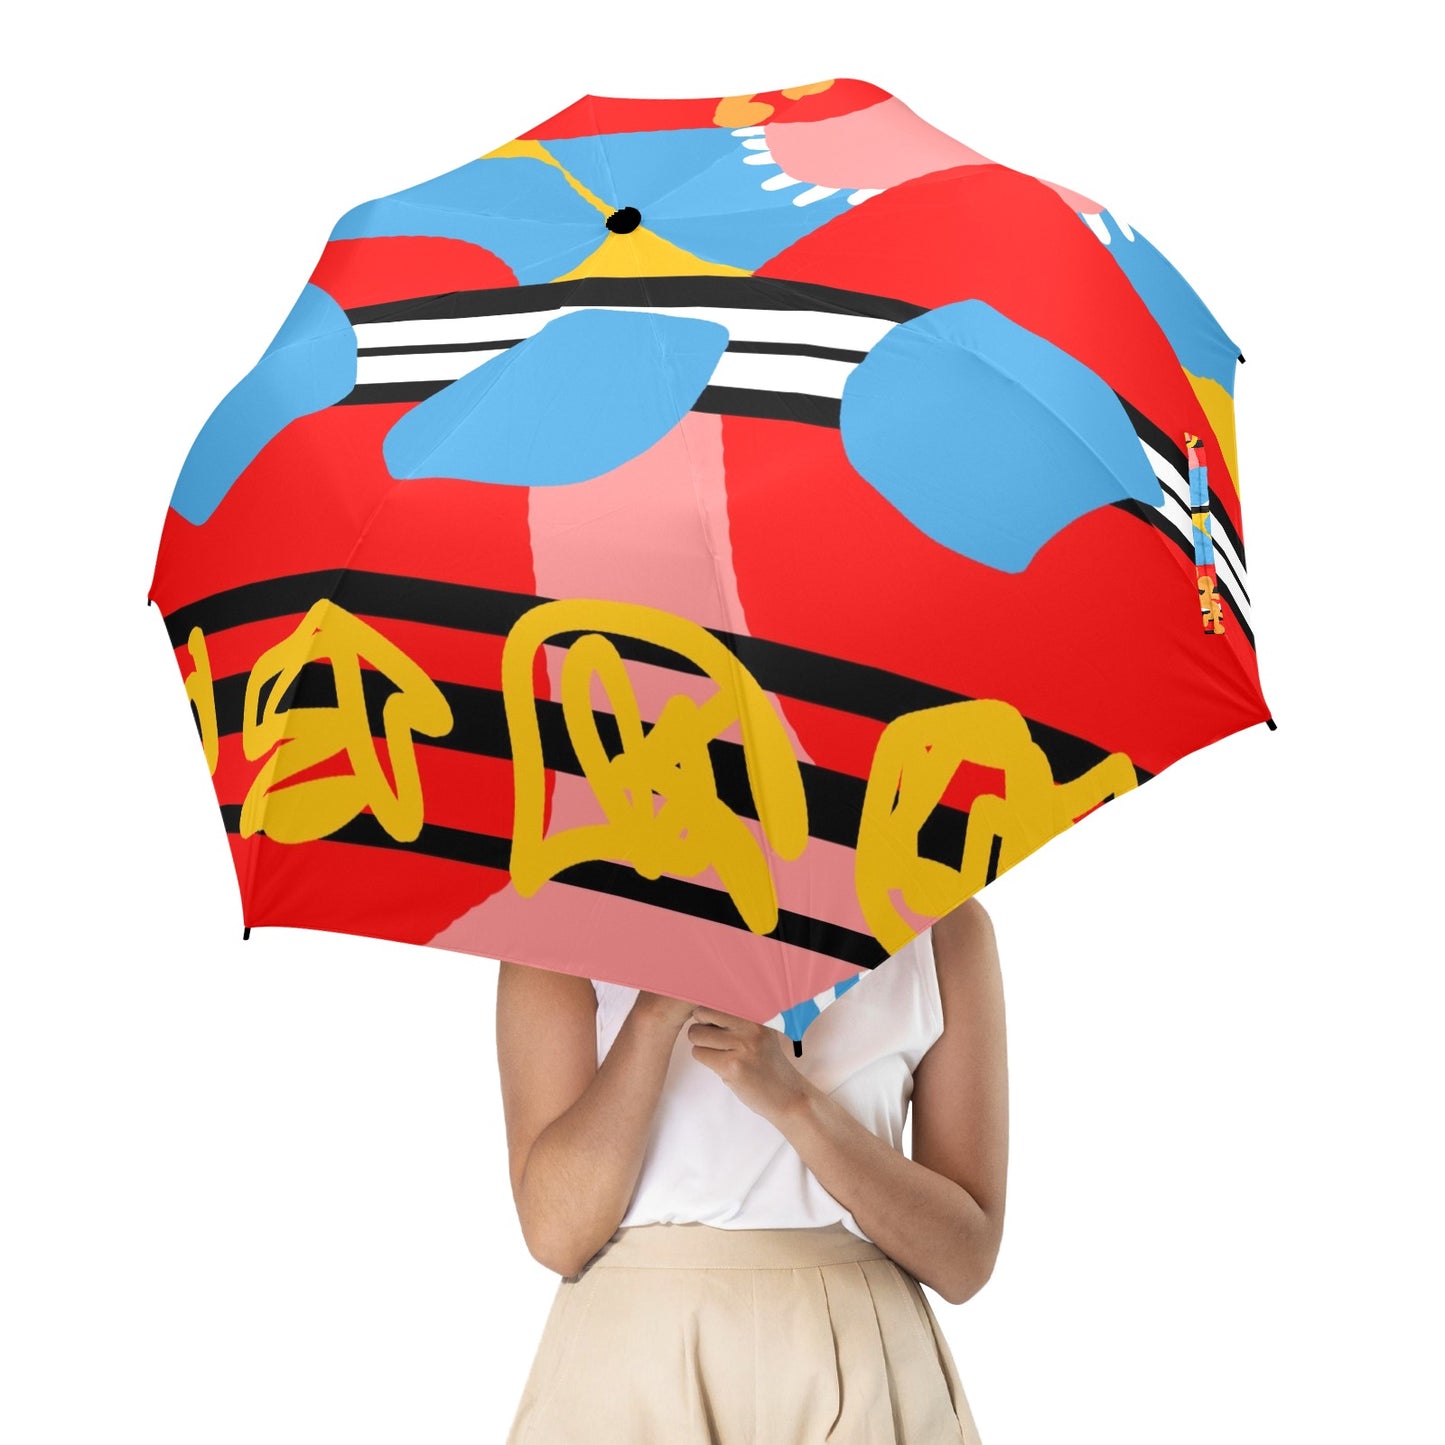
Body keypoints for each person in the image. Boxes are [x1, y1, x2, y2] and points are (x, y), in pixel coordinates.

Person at [497, 896, 1008, 1443]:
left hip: (862, 1357)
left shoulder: (943, 925)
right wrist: (653, 1014)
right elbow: (557, 1235)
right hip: (634, 1360)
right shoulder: (556, 913)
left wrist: (793, 1102)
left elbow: (964, 1260)